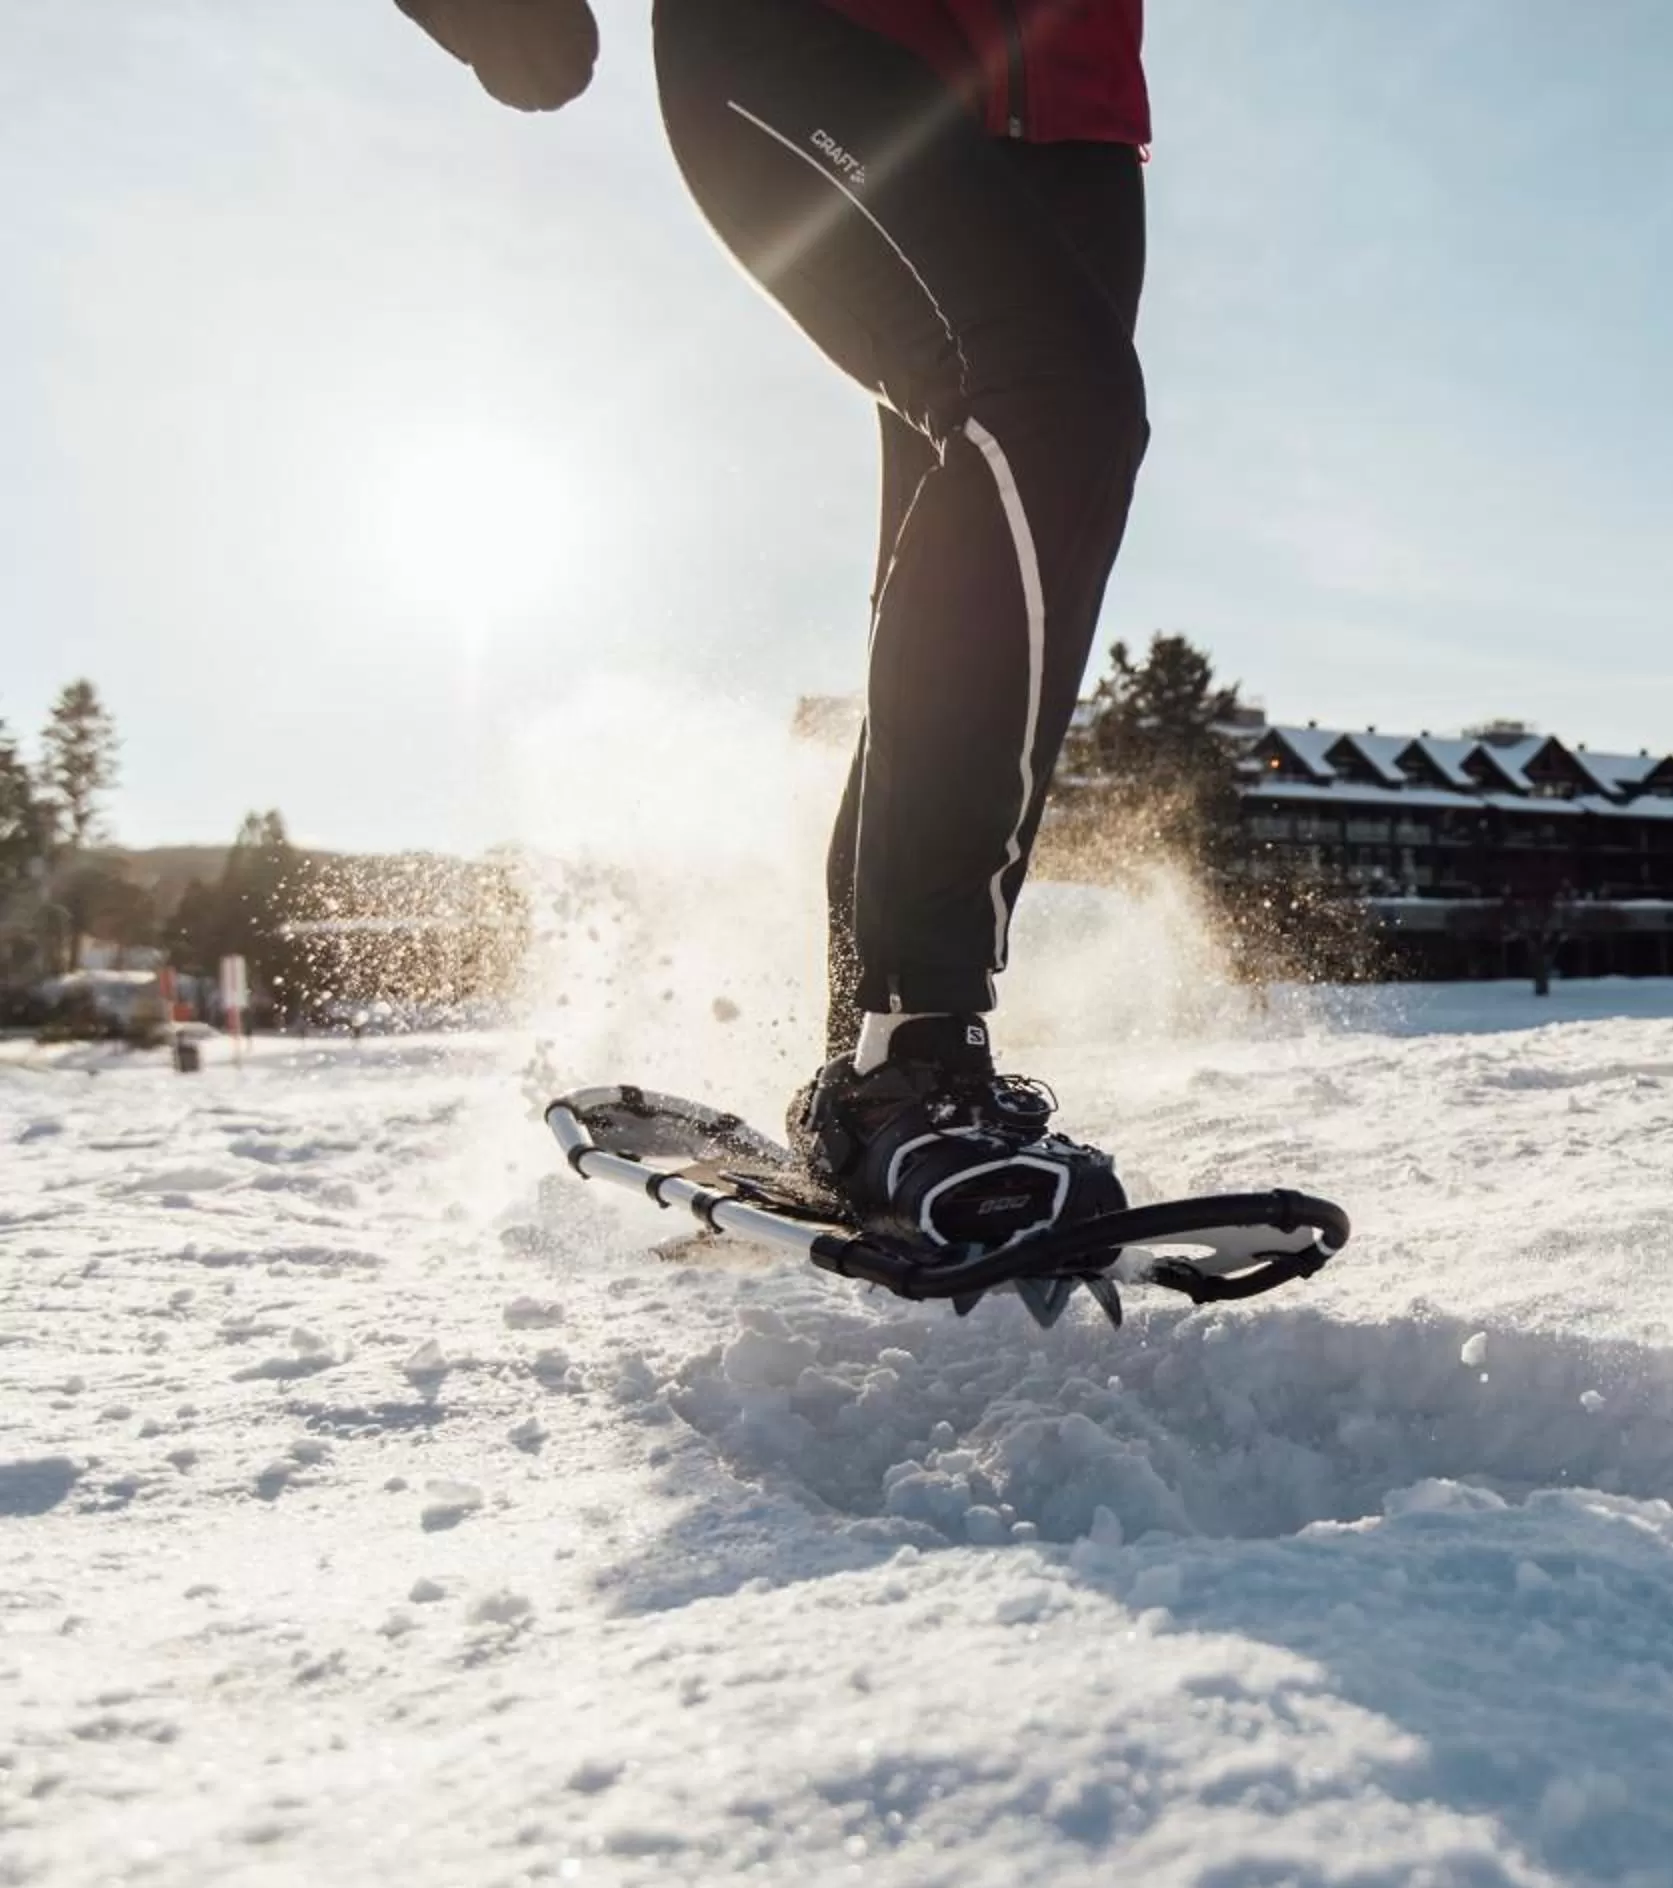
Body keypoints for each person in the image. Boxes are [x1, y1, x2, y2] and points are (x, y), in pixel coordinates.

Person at [396, 0, 1148, 1251]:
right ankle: (912, 1050)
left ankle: (877, 1069)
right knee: (1053, 403)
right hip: (807, 36)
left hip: (1072, 112)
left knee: (1016, 509)